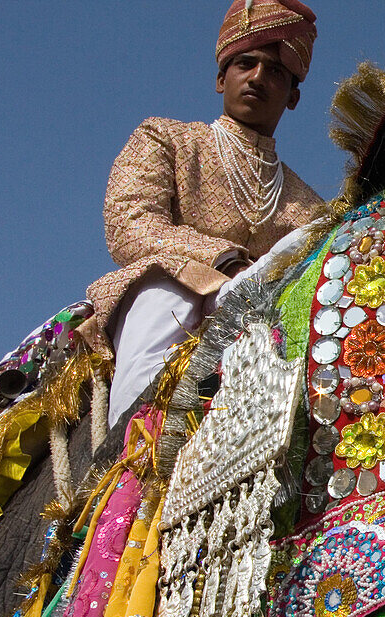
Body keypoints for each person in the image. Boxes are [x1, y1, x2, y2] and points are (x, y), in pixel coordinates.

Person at [78, 0, 323, 427]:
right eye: (245, 63)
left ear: (294, 96)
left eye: (276, 72)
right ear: (220, 77)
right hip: (167, 292)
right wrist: (221, 260)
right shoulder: (166, 138)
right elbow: (129, 225)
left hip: (263, 317)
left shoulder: (310, 206)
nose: (258, 77)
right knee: (164, 300)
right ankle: (129, 454)